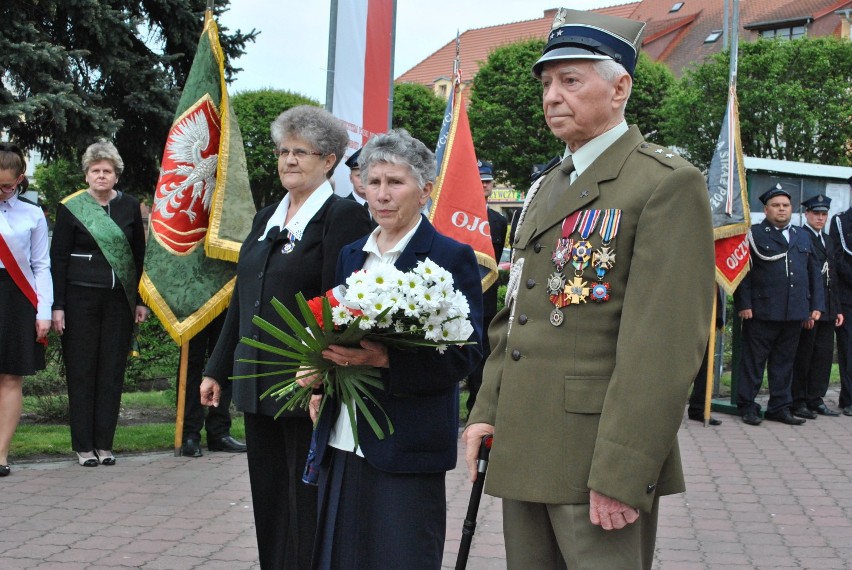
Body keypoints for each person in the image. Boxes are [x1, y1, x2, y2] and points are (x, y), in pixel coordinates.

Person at [463, 8, 715, 569]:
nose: (552, 96)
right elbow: (516, 314)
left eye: (571, 80)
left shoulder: (663, 183)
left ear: (620, 86)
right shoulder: (547, 185)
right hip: (526, 441)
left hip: (595, 458)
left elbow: (663, 347)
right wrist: (487, 409)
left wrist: (624, 472)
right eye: (548, 83)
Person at [302, 129, 483, 569]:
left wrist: (387, 360)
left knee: (401, 557)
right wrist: (319, 376)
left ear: (425, 189)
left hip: (407, 442)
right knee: (339, 556)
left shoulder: (449, 257)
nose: (381, 194)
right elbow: (336, 328)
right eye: (373, 181)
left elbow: (468, 352)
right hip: (343, 436)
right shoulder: (351, 254)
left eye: (395, 182)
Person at [200, 105, 372, 570]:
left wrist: (320, 369)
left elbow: (343, 302)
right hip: (256, 378)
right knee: (270, 499)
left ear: (330, 159)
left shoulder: (342, 218)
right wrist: (217, 368)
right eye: (283, 151)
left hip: (305, 383)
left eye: (301, 152)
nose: (288, 160)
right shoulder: (265, 219)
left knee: (306, 500)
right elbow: (242, 299)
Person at [50, 139, 148, 467]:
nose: (101, 176)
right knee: (81, 371)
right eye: (96, 170)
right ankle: (83, 447)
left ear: (116, 176)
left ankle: (104, 445)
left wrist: (140, 301)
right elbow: (58, 258)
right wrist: (58, 305)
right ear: (87, 175)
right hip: (79, 300)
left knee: (111, 372)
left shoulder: (130, 206)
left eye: (107, 171)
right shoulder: (71, 207)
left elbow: (138, 257)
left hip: (118, 302)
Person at [734, 184, 824, 426]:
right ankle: (748, 405)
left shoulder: (801, 235)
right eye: (776, 205)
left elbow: (813, 273)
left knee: (784, 363)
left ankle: (779, 406)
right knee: (754, 362)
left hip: (794, 311)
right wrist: (744, 303)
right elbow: (743, 272)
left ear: (791, 209)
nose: (781, 209)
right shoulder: (754, 233)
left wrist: (815, 305)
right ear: (766, 209)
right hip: (761, 310)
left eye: (785, 205)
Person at [0, 143, 52, 477]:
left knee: (10, 377)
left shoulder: (32, 214)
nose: (2, 192)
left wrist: (43, 311)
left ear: (21, 179)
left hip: (17, 298)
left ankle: (1, 453)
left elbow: (41, 266)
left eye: (7, 185)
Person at [792, 195, 843, 418]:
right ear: (807, 214)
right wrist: (806, 309)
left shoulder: (828, 240)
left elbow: (833, 276)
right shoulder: (800, 237)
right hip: (812, 308)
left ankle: (816, 398)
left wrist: (837, 308)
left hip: (829, 308)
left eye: (824, 214)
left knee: (822, 356)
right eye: (816, 214)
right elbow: (803, 278)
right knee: (805, 356)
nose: (820, 218)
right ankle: (799, 400)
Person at [465, 160, 507, 415]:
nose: (485, 186)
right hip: (459, 301)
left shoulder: (498, 221)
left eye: (488, 182)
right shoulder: (459, 218)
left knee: (482, 361)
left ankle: (475, 411)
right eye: (480, 182)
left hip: (486, 302)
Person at [180, 312, 247, 457]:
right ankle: (189, 434)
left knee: (225, 360)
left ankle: (219, 432)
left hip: (225, 296)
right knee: (190, 363)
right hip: (193, 301)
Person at [829, 175, 852, 417]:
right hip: (848, 298)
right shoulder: (841, 222)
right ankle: (849, 398)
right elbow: (836, 259)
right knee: (849, 350)